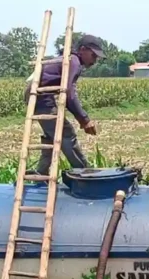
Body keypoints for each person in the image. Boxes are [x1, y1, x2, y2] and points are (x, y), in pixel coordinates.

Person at [24, 34, 104, 177]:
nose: (94, 60)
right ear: (83, 49)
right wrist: (84, 119)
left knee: (52, 134)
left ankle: (41, 172)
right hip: (41, 96)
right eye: (93, 55)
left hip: (36, 95)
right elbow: (69, 94)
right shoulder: (73, 62)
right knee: (66, 133)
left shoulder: (68, 59)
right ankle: (84, 171)